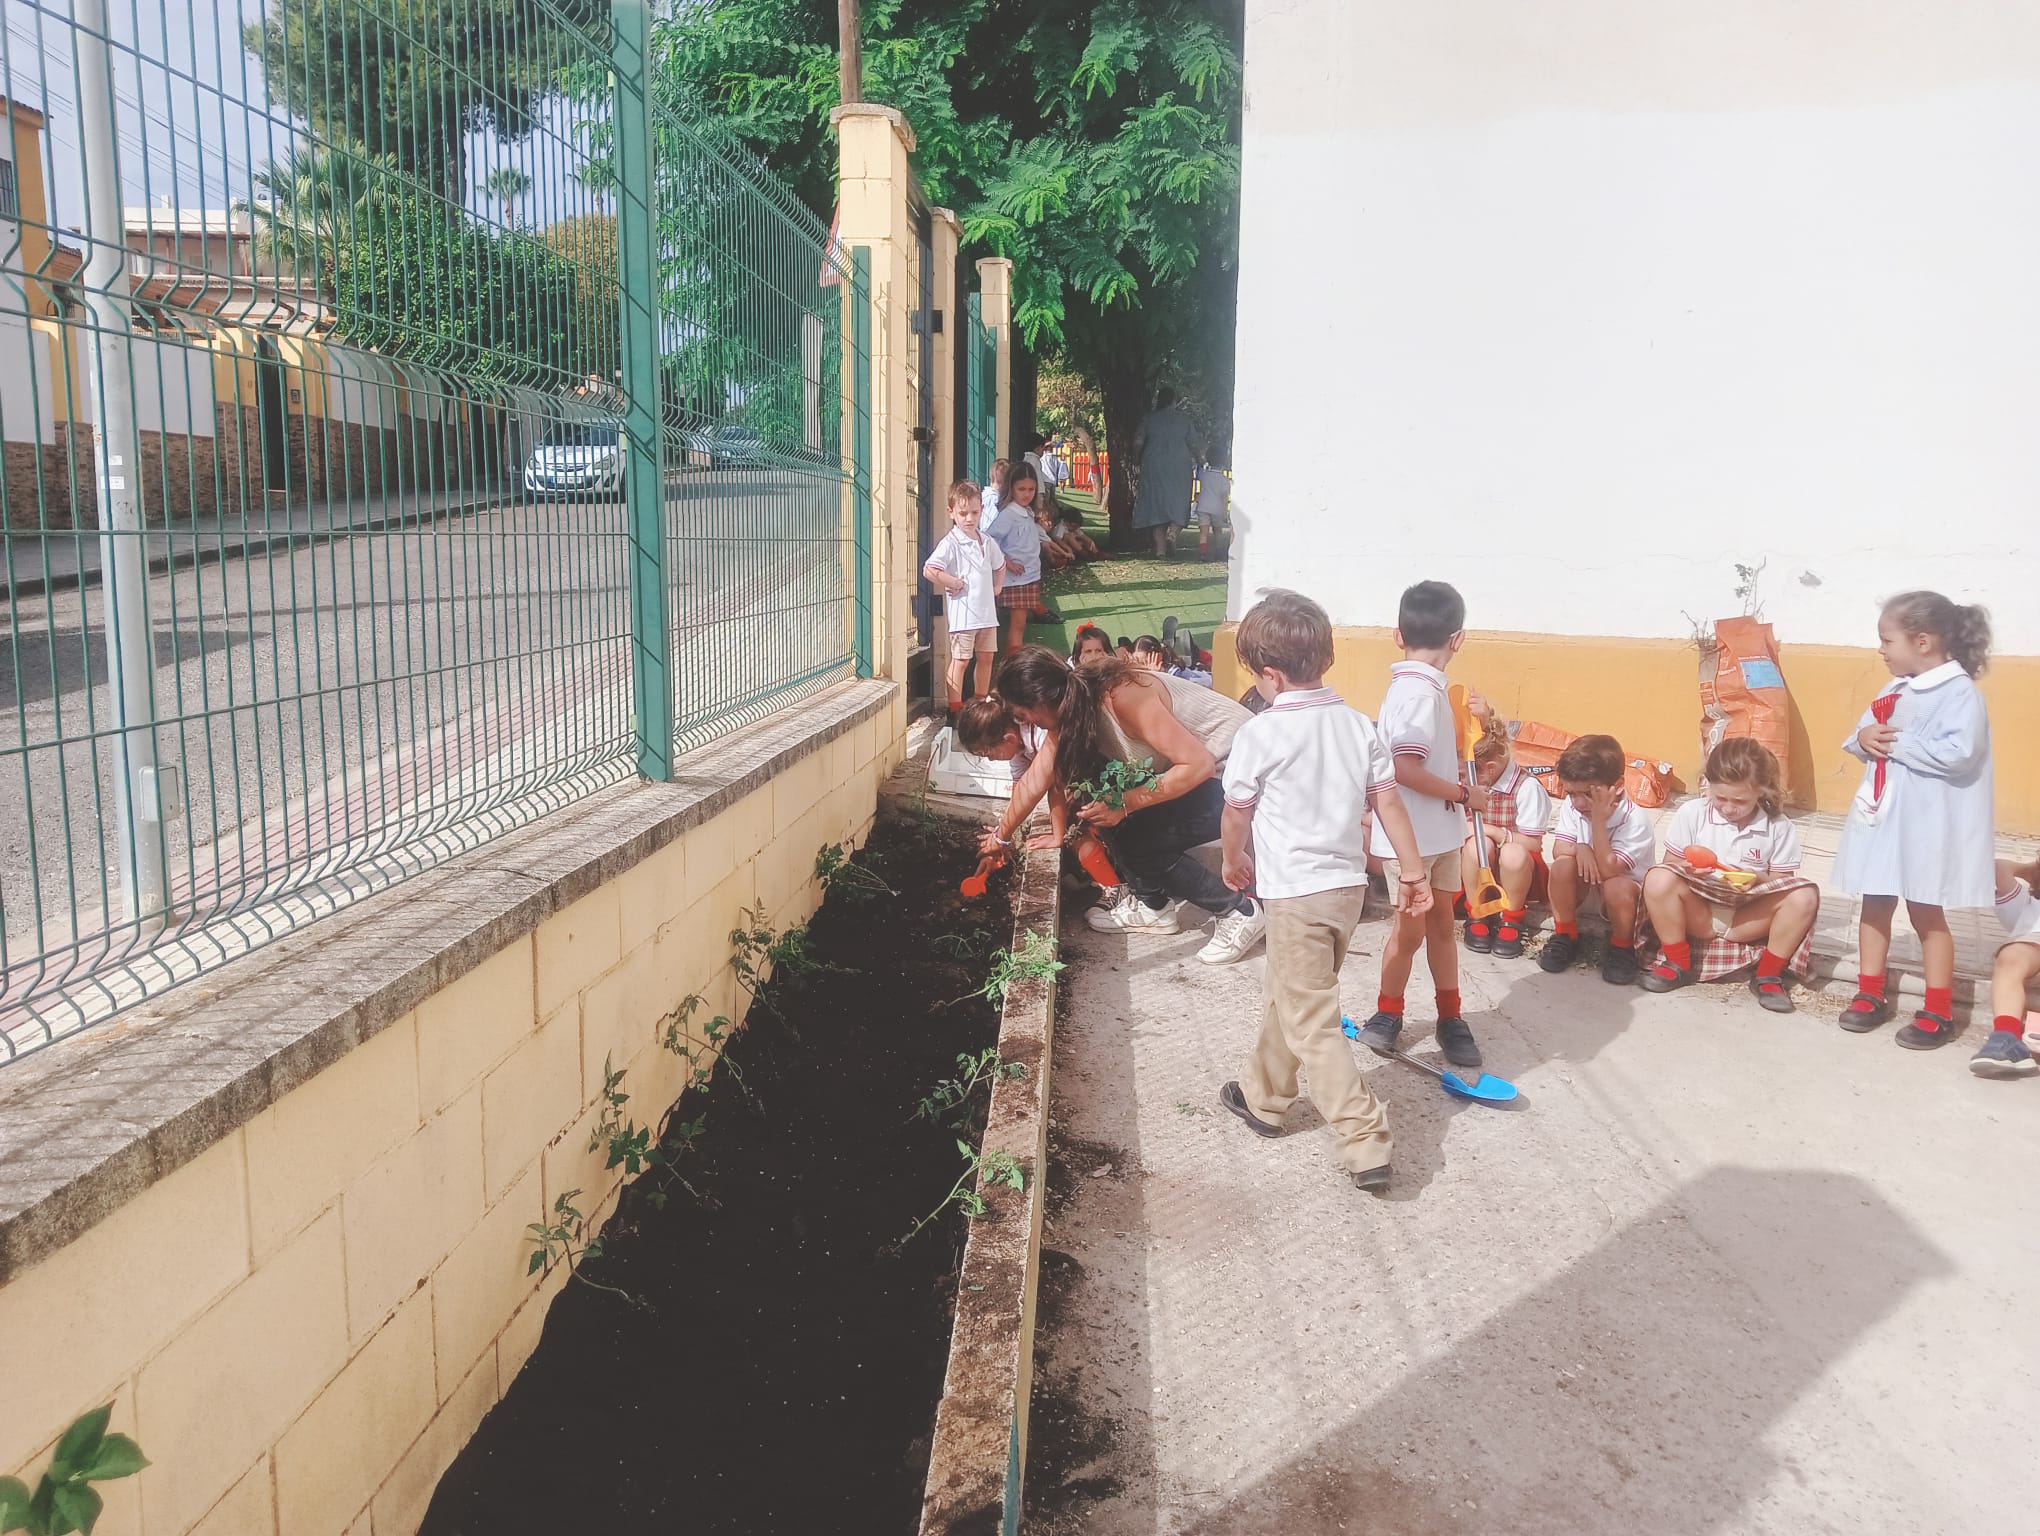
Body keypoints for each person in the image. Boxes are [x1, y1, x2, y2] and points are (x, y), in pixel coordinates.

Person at [1217, 591, 1432, 1194]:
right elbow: (1388, 802)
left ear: (1269, 674)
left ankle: (1365, 1140)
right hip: (1346, 893)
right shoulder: (1357, 725)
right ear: (1326, 658)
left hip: (1295, 895)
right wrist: (1413, 872)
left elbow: (1236, 812)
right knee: (1292, 993)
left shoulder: (1261, 732)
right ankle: (1263, 1097)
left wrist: (1233, 859)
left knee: (1312, 1018)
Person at [977, 644, 1263, 964]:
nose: (1024, 722)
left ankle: (1239, 910)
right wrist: (1000, 838)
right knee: (1102, 807)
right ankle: (1154, 907)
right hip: (1210, 777)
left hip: (1242, 777)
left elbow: (1198, 766)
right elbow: (1035, 780)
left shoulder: (1122, 697)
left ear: (1040, 700)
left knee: (1140, 839)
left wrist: (1125, 804)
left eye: (1021, 715)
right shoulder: (1071, 708)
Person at [1831, 591, 1996, 1049]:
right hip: (1884, 819)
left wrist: (1898, 743)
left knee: (1926, 910)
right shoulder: (1894, 689)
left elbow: (1960, 754)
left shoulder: (1959, 693)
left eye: (1888, 640)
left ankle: (1938, 1009)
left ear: (1922, 641)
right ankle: (1869, 992)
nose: (1881, 650)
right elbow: (1863, 734)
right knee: (1875, 902)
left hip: (1926, 825)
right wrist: (1864, 737)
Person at [1347, 582, 1484, 1069]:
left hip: (1440, 836)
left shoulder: (1424, 689)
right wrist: (1464, 795)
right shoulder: (1419, 694)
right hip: (1413, 845)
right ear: (1459, 639)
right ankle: (1389, 1012)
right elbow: (1404, 768)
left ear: (1397, 635)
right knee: (1410, 932)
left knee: (1443, 926)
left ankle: (1451, 1016)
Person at [1640, 739, 1820, 1013]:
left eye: (1740, 801)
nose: (1728, 808)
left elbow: (1783, 883)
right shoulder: (1692, 813)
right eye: (1720, 798)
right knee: (1658, 878)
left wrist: (1758, 878)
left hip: (1746, 918)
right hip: (1698, 912)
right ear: (1707, 784)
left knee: (1804, 896)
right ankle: (1677, 963)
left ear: (1762, 790)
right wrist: (1688, 870)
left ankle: (1768, 975)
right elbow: (1671, 865)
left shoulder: (1777, 826)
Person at [1536, 734, 1659, 984]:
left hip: (1624, 897)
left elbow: (1610, 870)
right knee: (1561, 866)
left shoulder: (1634, 820)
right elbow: (1559, 849)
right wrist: (1581, 847)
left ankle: (1622, 947)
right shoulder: (1573, 807)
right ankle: (1565, 934)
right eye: (1571, 793)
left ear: (1618, 785)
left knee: (1616, 886)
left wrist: (1598, 823)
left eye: (1588, 793)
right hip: (1587, 884)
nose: (1578, 802)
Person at [1460, 697, 1552, 960]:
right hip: (1477, 869)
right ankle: (1477, 912)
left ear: (1489, 769)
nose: (1461, 778)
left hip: (1518, 871)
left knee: (1512, 851)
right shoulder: (1468, 786)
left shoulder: (1526, 787)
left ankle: (1512, 919)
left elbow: (1533, 843)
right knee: (1476, 845)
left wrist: (1492, 831)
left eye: (1466, 773)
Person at [920, 480, 1003, 717]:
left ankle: (980, 702)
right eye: (963, 513)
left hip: (987, 615)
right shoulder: (951, 542)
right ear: (951, 512)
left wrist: (997, 586)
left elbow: (1000, 565)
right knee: (961, 660)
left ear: (981, 510)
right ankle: (954, 709)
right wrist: (952, 582)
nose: (969, 518)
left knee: (986, 657)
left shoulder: (986, 541)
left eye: (974, 513)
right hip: (964, 616)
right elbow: (929, 569)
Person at [985, 461, 1060, 648]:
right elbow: (989, 540)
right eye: (1021, 489)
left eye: (1031, 489)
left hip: (1029, 576)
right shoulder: (1008, 514)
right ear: (1011, 488)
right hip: (1016, 579)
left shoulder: (1026, 512)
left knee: (1020, 627)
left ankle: (1013, 662)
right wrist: (1006, 562)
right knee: (1017, 627)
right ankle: (1013, 663)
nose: (1027, 494)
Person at [1980, 860, 2040, 1077]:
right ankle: (2006, 1038)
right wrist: (2033, 869)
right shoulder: (2028, 906)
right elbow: (1999, 868)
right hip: (2033, 944)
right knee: (2011, 955)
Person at [1131, 387, 1199, 559]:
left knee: (1157, 507)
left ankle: (1160, 551)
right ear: (1174, 400)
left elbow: (1138, 442)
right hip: (1179, 466)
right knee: (1180, 501)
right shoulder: (1184, 420)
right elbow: (1194, 444)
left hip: (1154, 465)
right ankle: (1173, 532)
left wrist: (1137, 461)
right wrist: (1201, 460)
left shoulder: (1149, 418)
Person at [1193, 453, 1231, 561]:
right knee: (1217, 531)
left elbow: (1199, 471)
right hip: (1217, 508)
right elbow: (1224, 497)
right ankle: (1218, 551)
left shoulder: (1204, 475)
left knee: (1203, 532)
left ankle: (1203, 553)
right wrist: (1224, 513)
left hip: (1203, 506)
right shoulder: (1224, 480)